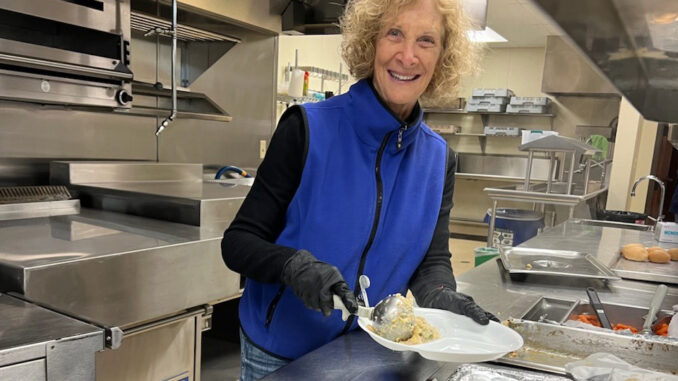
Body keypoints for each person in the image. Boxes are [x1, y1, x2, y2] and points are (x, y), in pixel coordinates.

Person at [221, 0, 496, 379]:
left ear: (443, 58)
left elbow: (431, 260)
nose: (407, 56)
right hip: (281, 354)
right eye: (394, 34)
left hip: (370, 352)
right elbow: (238, 242)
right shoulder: (307, 128)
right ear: (371, 42)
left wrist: (440, 295)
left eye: (426, 41)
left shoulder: (439, 158)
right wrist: (293, 266)